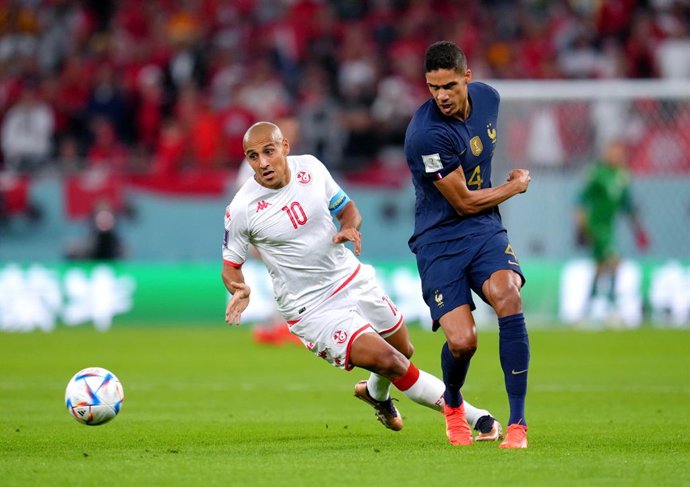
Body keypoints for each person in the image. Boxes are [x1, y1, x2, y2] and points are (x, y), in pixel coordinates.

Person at [221, 121, 502, 440]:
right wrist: (239, 287)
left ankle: (375, 394)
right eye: (253, 157)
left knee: (403, 350)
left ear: (285, 146)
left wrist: (350, 227)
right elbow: (230, 266)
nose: (263, 163)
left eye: (268, 152)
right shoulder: (242, 207)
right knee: (391, 362)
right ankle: (476, 416)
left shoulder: (311, 168)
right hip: (311, 308)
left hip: (350, 277)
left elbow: (347, 208)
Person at [403, 41, 531, 448]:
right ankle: (454, 404)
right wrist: (513, 187)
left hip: (483, 231)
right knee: (463, 341)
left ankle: (517, 425)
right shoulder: (426, 135)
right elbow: (461, 202)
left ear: (468, 78)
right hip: (439, 238)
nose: (441, 96)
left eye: (449, 86)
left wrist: (500, 191)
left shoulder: (489, 99)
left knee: (508, 294)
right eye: (432, 87)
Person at [575, 139, 649, 324]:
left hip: (609, 227)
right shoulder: (598, 174)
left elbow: (627, 206)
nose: (615, 155)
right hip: (597, 226)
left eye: (619, 151)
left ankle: (587, 310)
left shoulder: (622, 176)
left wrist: (639, 231)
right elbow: (581, 200)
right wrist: (581, 227)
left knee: (600, 268)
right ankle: (613, 308)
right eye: (612, 151)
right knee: (615, 262)